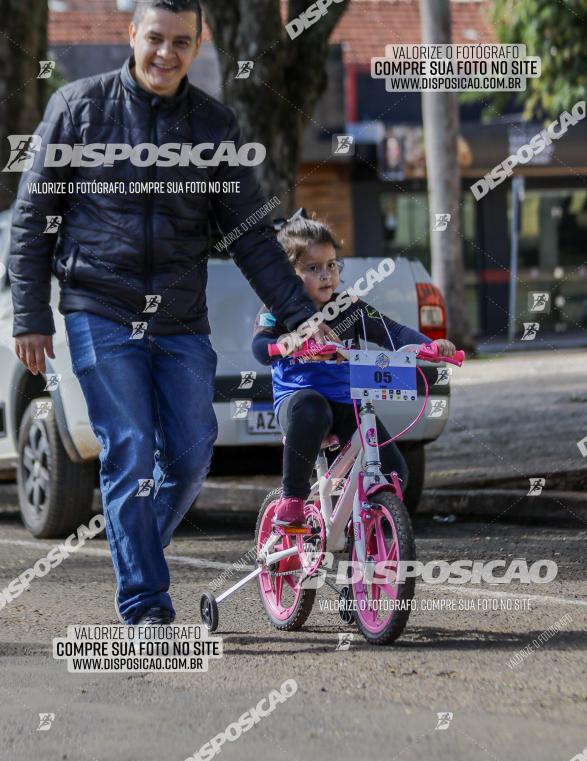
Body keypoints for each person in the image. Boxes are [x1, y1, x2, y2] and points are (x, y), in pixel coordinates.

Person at [8, 0, 324, 627]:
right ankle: (147, 604)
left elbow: (252, 236)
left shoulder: (214, 127)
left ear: (199, 44)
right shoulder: (77, 110)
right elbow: (32, 219)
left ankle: (137, 544)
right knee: (130, 446)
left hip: (180, 319)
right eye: (155, 38)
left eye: (181, 42)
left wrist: (299, 315)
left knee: (189, 452)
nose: (166, 53)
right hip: (98, 306)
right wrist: (29, 316)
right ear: (132, 35)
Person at [252, 214, 456, 525]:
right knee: (311, 407)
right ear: (289, 275)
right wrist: (285, 343)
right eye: (313, 268)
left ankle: (362, 523)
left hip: (347, 402)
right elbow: (260, 347)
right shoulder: (276, 311)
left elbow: (394, 332)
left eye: (332, 265)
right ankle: (292, 498)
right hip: (299, 406)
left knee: (394, 471)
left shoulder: (350, 308)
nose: (326, 275)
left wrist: (431, 346)